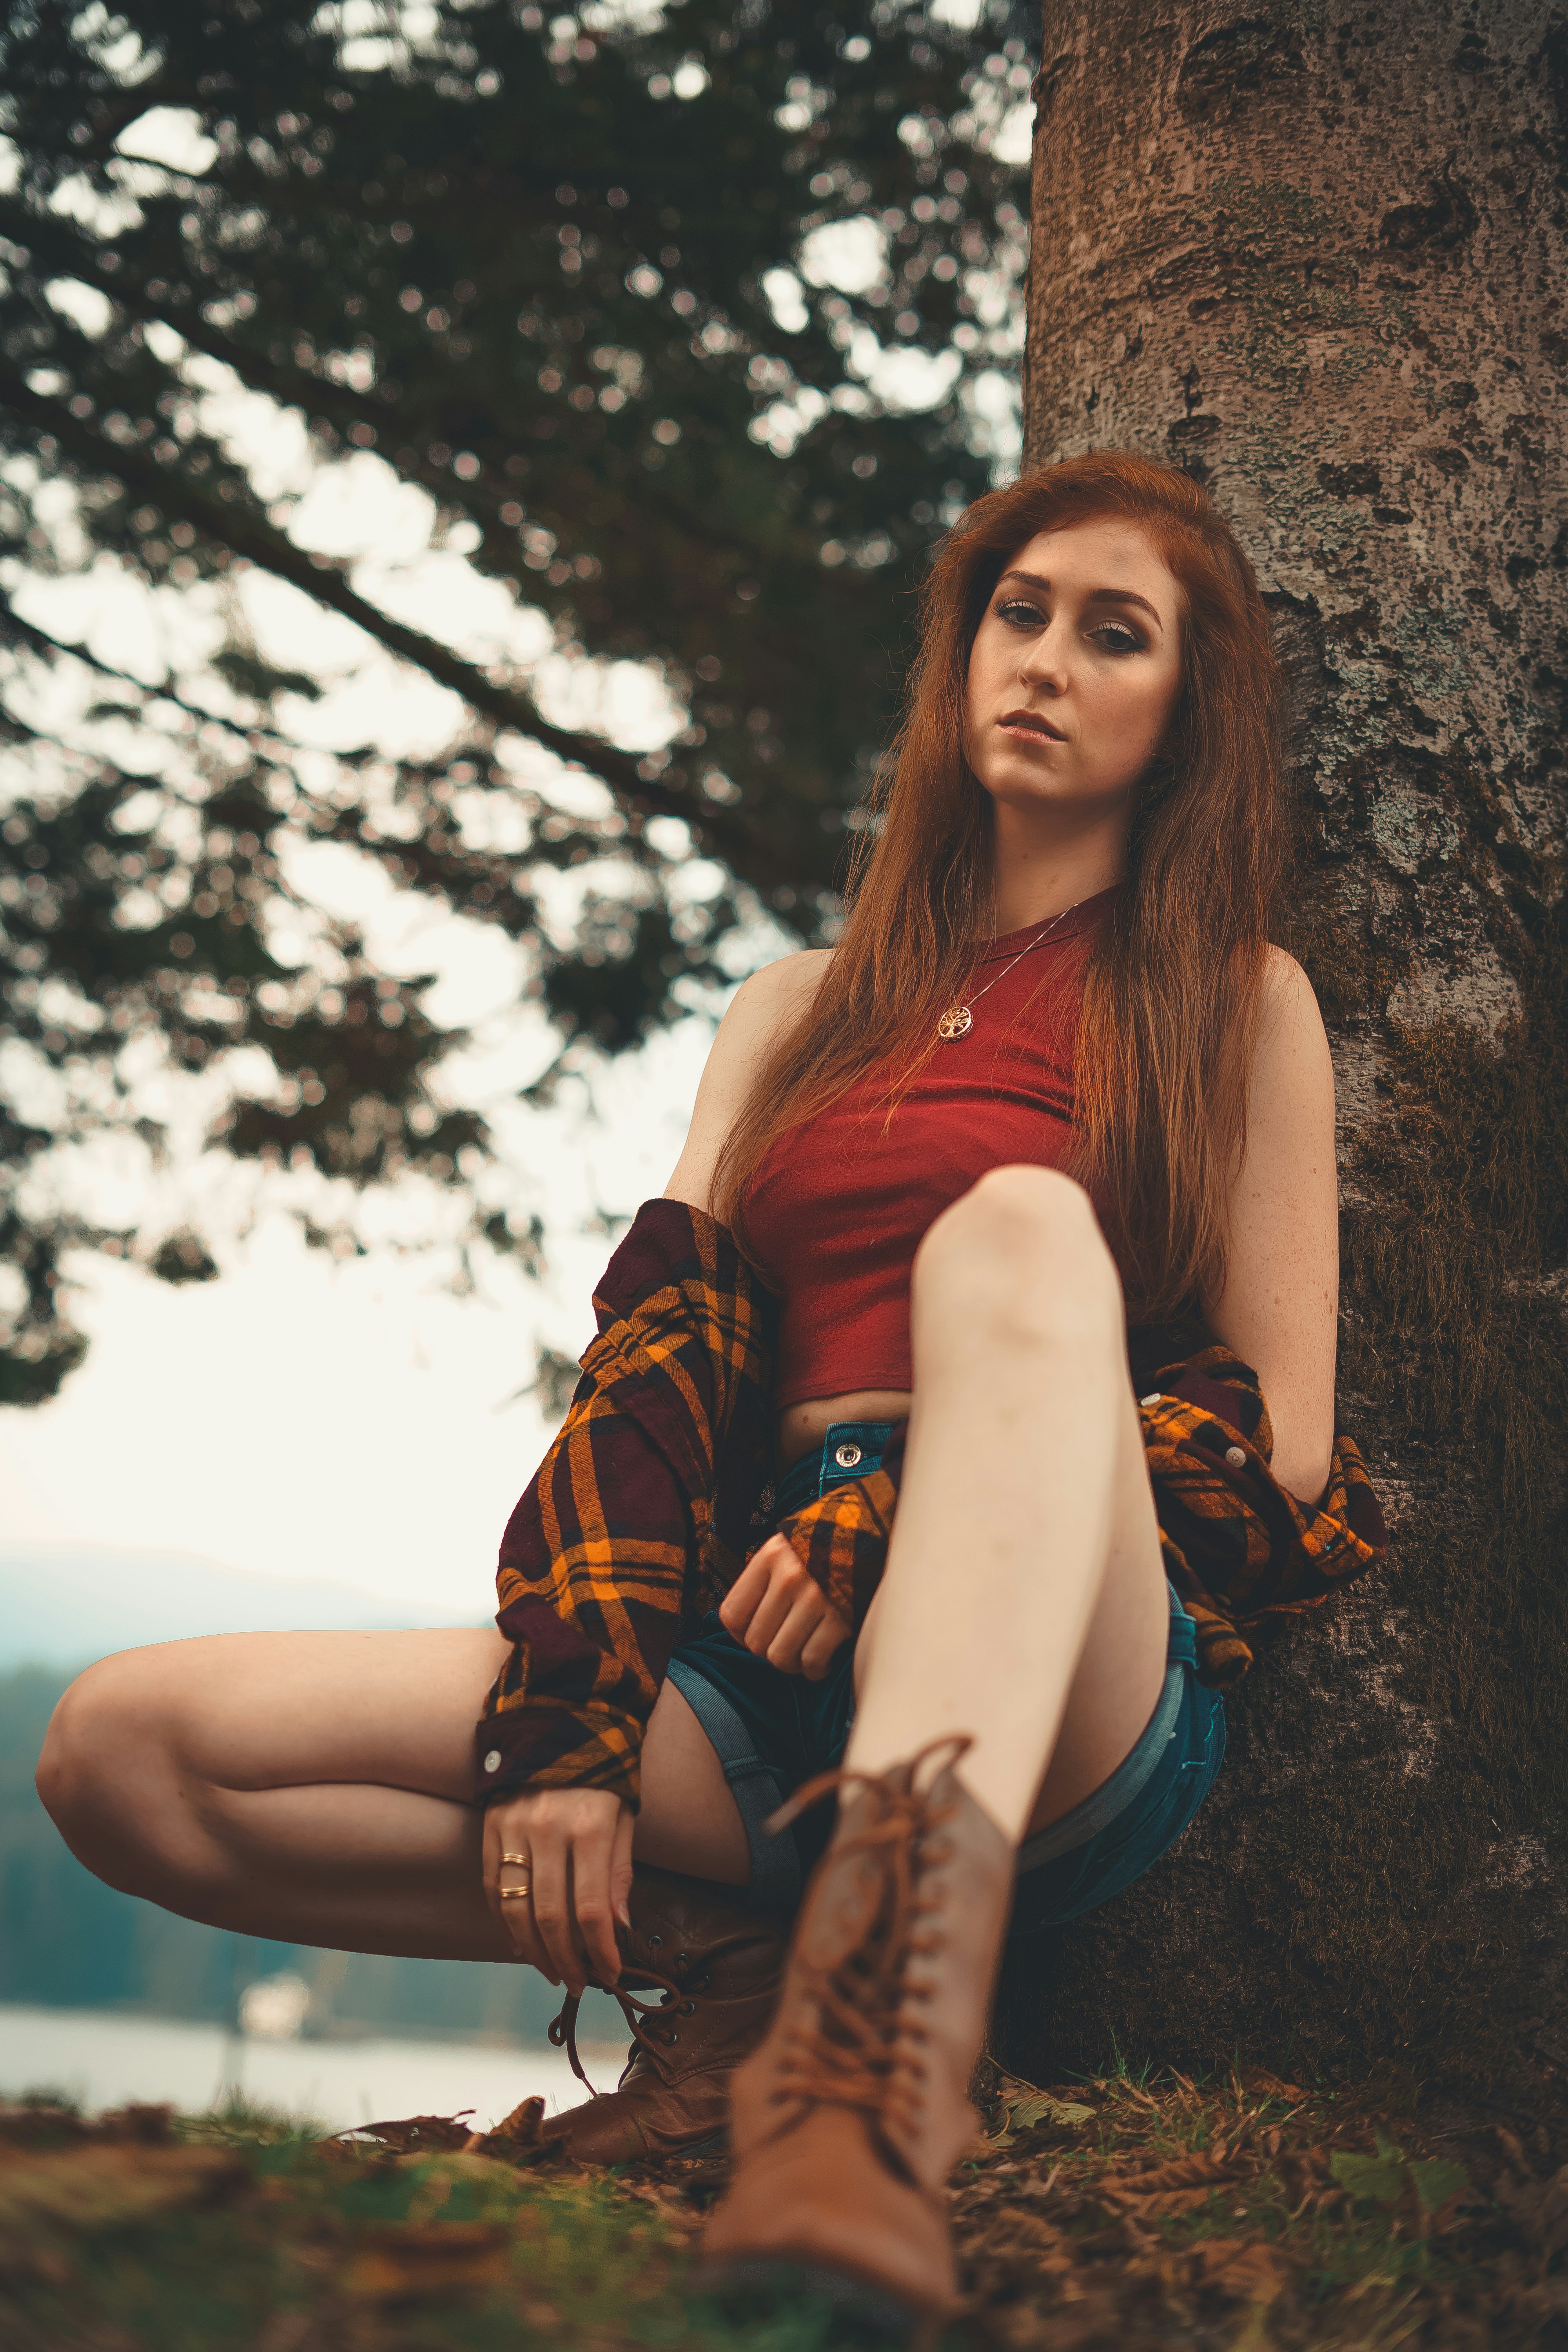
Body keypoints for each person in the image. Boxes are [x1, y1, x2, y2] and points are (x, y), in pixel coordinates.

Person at [36, 452, 1385, 2336]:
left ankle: (866, 2083)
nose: (1048, 661)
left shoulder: (1235, 1003)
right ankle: (733, 1960)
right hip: (756, 1662)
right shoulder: (795, 1006)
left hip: (1070, 1655)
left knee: (1011, 1240)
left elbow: (1281, 1444)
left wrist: (884, 1515)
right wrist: (574, 1733)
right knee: (128, 1756)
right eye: (1018, 611)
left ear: (1186, 711)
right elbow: (658, 1369)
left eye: (1114, 633)